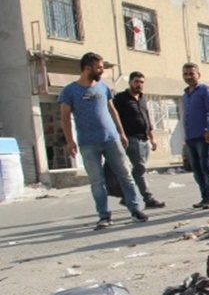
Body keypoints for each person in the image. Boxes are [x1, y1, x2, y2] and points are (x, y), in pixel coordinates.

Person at [58, 52, 149, 229]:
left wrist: (121, 133)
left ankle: (135, 209)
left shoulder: (103, 87)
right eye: (99, 67)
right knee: (97, 182)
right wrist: (70, 141)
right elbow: (64, 116)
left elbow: (112, 110)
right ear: (87, 68)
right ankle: (104, 216)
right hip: (87, 143)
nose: (102, 71)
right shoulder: (70, 91)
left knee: (125, 175)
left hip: (111, 139)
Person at [112, 71, 166, 209]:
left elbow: (146, 119)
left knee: (138, 170)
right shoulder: (121, 99)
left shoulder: (142, 98)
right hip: (130, 138)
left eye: (142, 82)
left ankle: (126, 196)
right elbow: (114, 117)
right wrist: (120, 135)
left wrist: (152, 138)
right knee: (140, 169)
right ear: (130, 82)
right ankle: (148, 198)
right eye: (136, 81)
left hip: (144, 139)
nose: (139, 85)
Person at [181, 62, 209, 209]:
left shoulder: (206, 91)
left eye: (192, 73)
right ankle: (205, 197)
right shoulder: (186, 95)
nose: (189, 77)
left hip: (203, 135)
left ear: (198, 74)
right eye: (186, 74)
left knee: (206, 166)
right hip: (191, 136)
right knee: (196, 169)